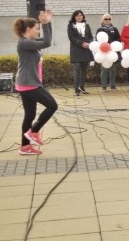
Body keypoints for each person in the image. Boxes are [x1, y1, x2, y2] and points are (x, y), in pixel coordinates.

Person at [14, 10, 58, 155]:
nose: (38, 31)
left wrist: (48, 23)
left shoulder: (29, 42)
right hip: (29, 84)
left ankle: (25, 147)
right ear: (28, 29)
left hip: (26, 83)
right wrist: (45, 23)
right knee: (52, 106)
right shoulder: (24, 43)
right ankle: (34, 132)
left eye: (39, 28)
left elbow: (47, 41)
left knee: (30, 115)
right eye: (36, 28)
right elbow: (46, 42)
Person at [67, 10, 93, 95]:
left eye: (81, 15)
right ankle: (76, 89)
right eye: (77, 15)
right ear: (74, 17)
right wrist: (82, 43)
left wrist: (89, 43)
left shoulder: (87, 25)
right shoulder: (71, 26)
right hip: (76, 50)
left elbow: (90, 36)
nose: (79, 17)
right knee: (77, 69)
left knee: (84, 70)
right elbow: (71, 37)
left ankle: (82, 87)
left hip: (86, 50)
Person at [96, 14, 120, 91]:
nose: (107, 20)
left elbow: (118, 39)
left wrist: (111, 46)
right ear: (103, 20)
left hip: (112, 52)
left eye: (109, 19)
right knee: (104, 69)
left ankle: (113, 85)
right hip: (103, 52)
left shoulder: (114, 29)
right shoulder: (100, 30)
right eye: (106, 19)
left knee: (113, 70)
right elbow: (97, 40)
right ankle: (104, 86)